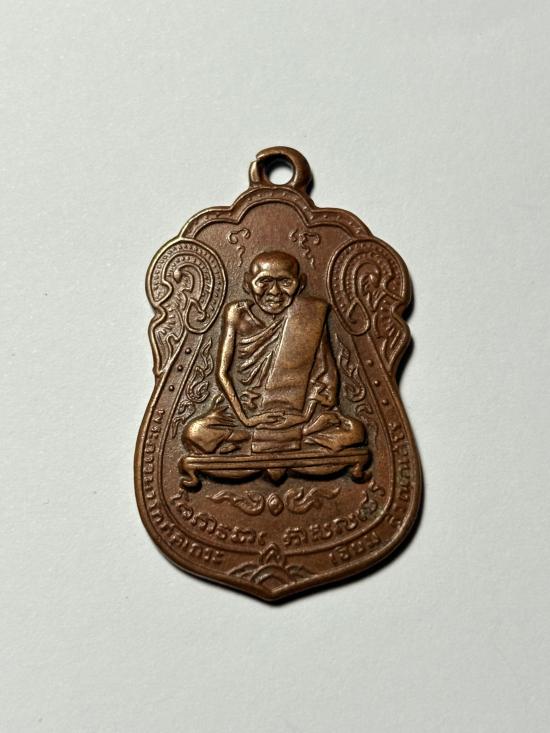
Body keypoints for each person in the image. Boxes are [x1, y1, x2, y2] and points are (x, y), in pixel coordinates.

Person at [183, 250, 364, 455]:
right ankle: (294, 437)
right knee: (195, 432)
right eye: (264, 281)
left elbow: (326, 374)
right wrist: (247, 420)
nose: (275, 292)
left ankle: (278, 436)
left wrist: (305, 415)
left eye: (285, 282)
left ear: (301, 284)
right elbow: (222, 373)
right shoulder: (237, 313)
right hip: (243, 412)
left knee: (356, 432)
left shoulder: (310, 315)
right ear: (247, 283)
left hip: (300, 414)